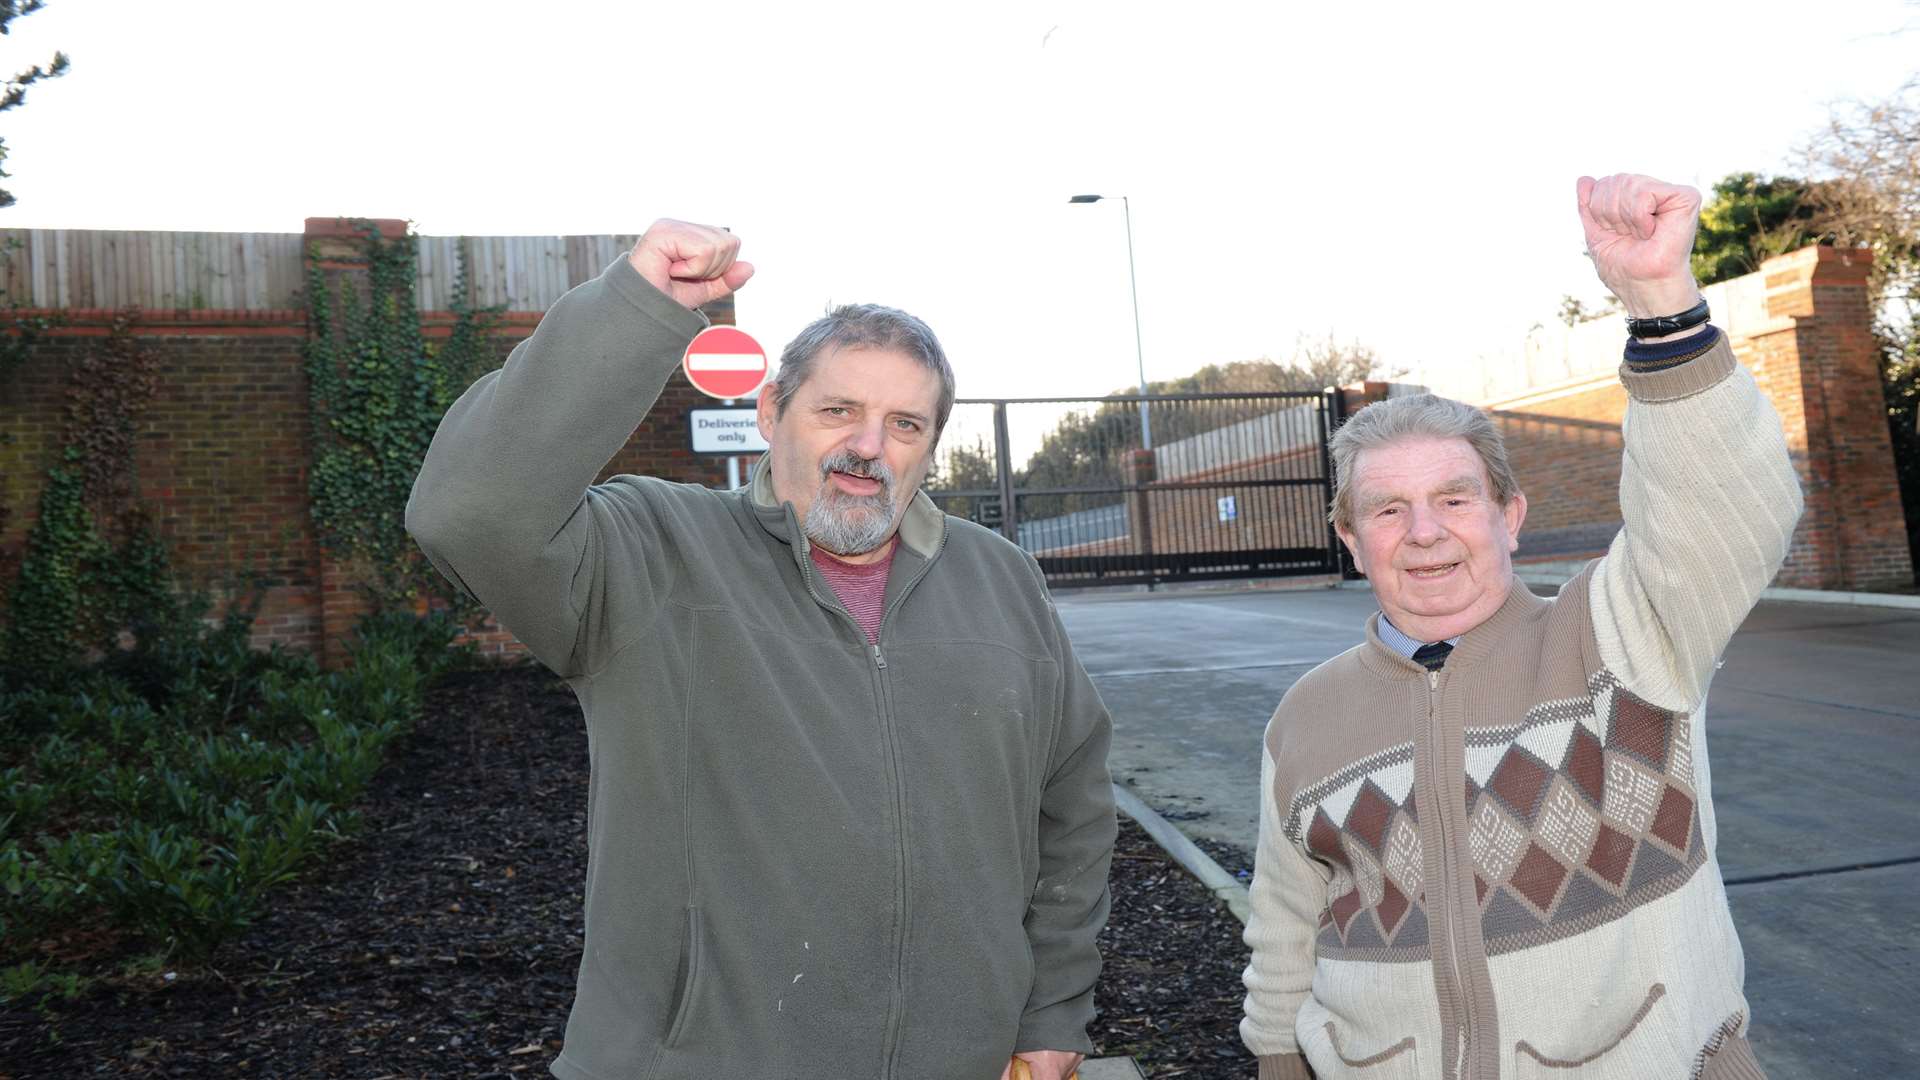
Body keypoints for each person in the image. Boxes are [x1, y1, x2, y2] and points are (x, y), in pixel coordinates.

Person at [406, 220, 1115, 1080]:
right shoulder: (653, 552)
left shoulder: (1002, 581)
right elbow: (470, 514)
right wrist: (634, 312)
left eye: (904, 424)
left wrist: (1051, 1012)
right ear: (771, 410)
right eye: (838, 411)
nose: (867, 447)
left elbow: (1071, 806)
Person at [1239, 174, 1803, 1079]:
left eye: (1455, 499)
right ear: (1349, 540)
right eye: (1387, 511)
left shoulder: (1627, 635)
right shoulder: (1305, 719)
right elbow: (1283, 934)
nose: (1424, 533)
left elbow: (1724, 508)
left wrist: (1661, 302)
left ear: (1511, 516)